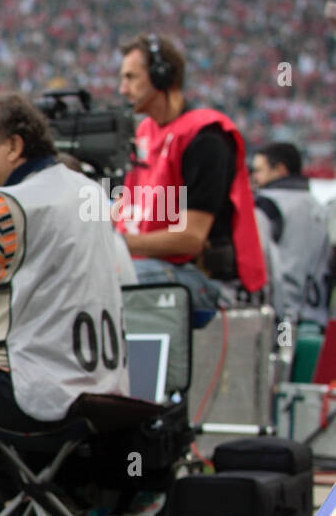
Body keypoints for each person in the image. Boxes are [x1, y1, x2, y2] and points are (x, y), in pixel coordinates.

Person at [0, 93, 128, 516]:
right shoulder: (87, 191)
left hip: (36, 394)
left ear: (13, 147)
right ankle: (8, 501)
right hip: (103, 391)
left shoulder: (9, 206)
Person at [114, 34, 266, 316]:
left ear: (163, 77)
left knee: (107, 278)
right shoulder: (144, 132)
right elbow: (129, 210)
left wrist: (117, 244)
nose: (123, 89)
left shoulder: (206, 137)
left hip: (209, 280)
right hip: (157, 266)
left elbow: (191, 237)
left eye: (131, 78)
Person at [250, 142, 331, 328]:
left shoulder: (266, 205)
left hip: (282, 320)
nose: (254, 177)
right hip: (317, 317)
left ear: (280, 169)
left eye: (259, 170)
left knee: (281, 355)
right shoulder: (318, 205)